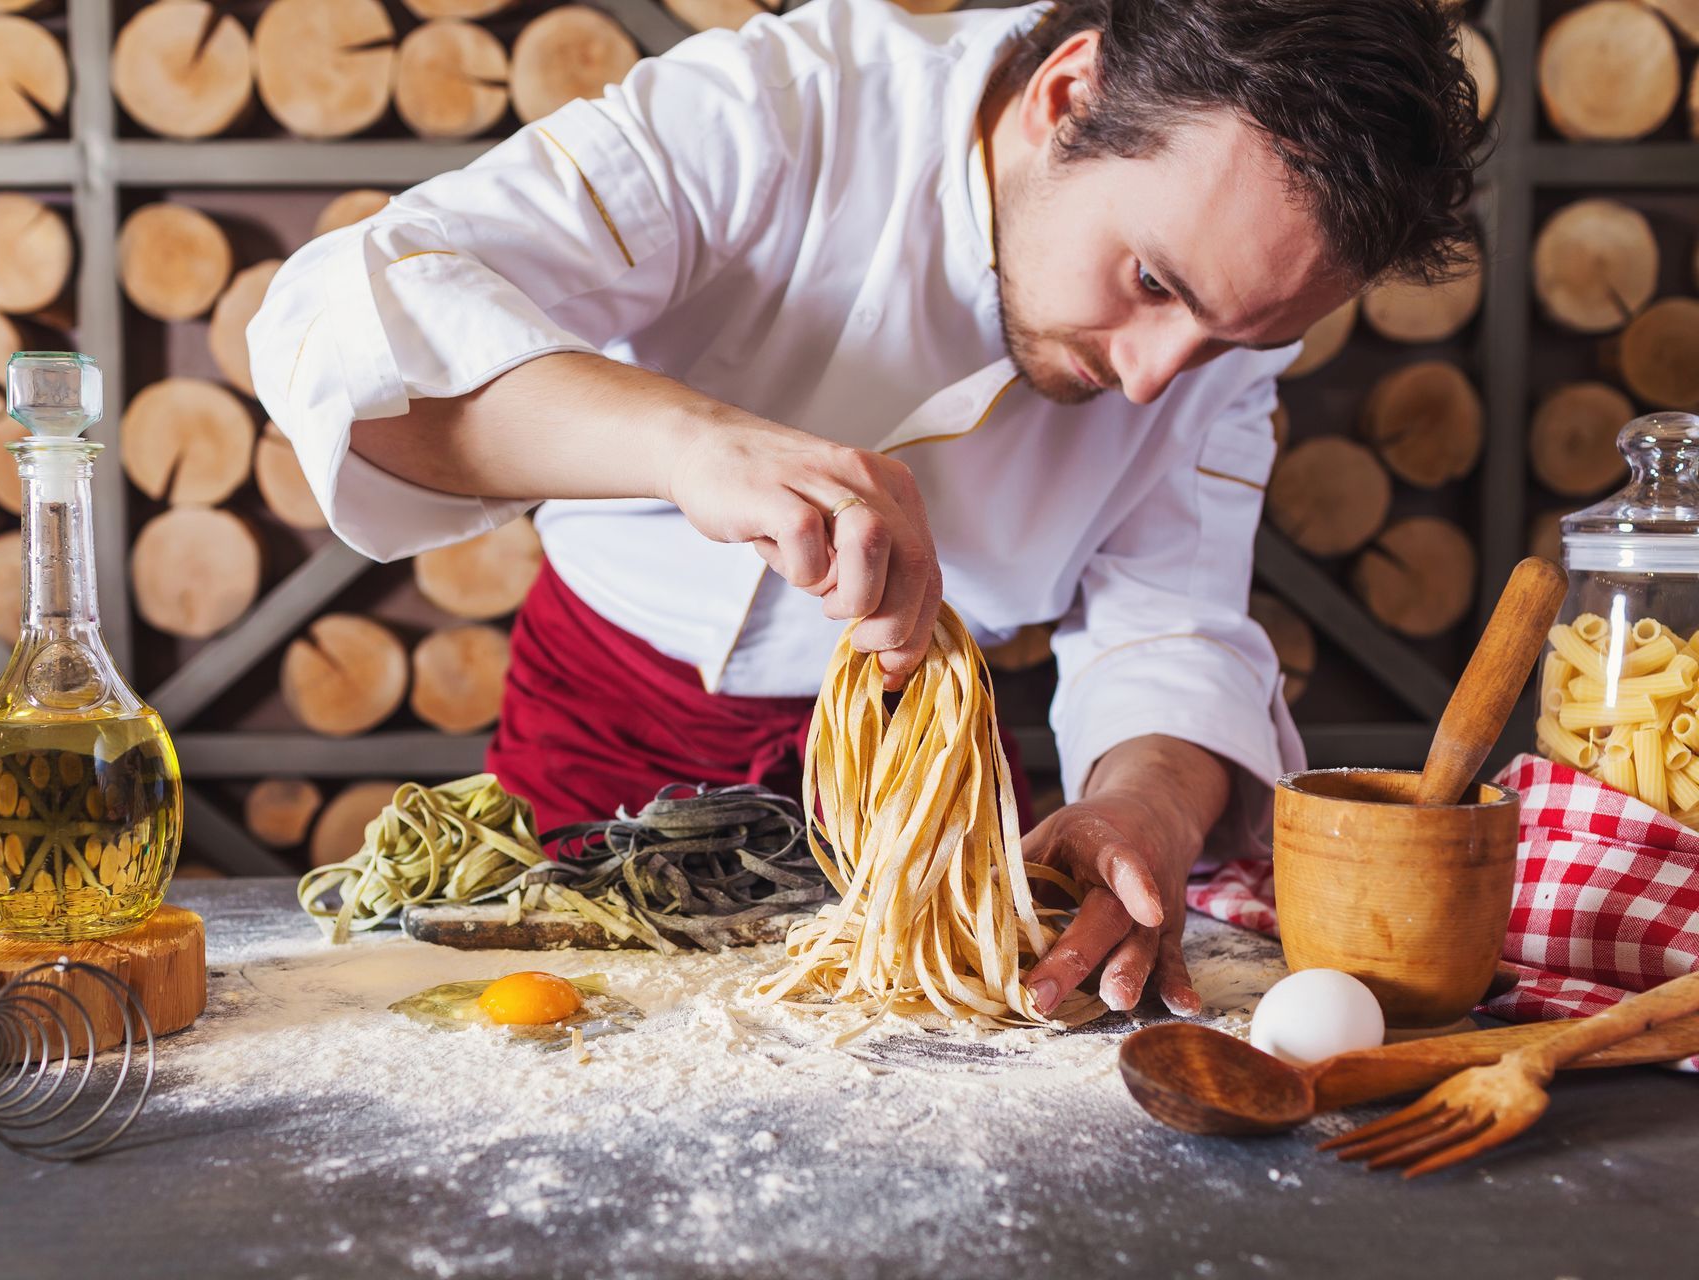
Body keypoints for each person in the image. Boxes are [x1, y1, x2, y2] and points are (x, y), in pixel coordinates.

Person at [249, 0, 1486, 1019]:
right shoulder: (785, 107)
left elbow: (1172, 617)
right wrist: (688, 440)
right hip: (607, 733)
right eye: (1151, 282)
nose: (1157, 375)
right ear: (1069, 97)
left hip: (932, 775)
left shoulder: (1220, 325)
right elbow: (346, 335)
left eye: (1233, 340)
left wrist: (1149, 802)